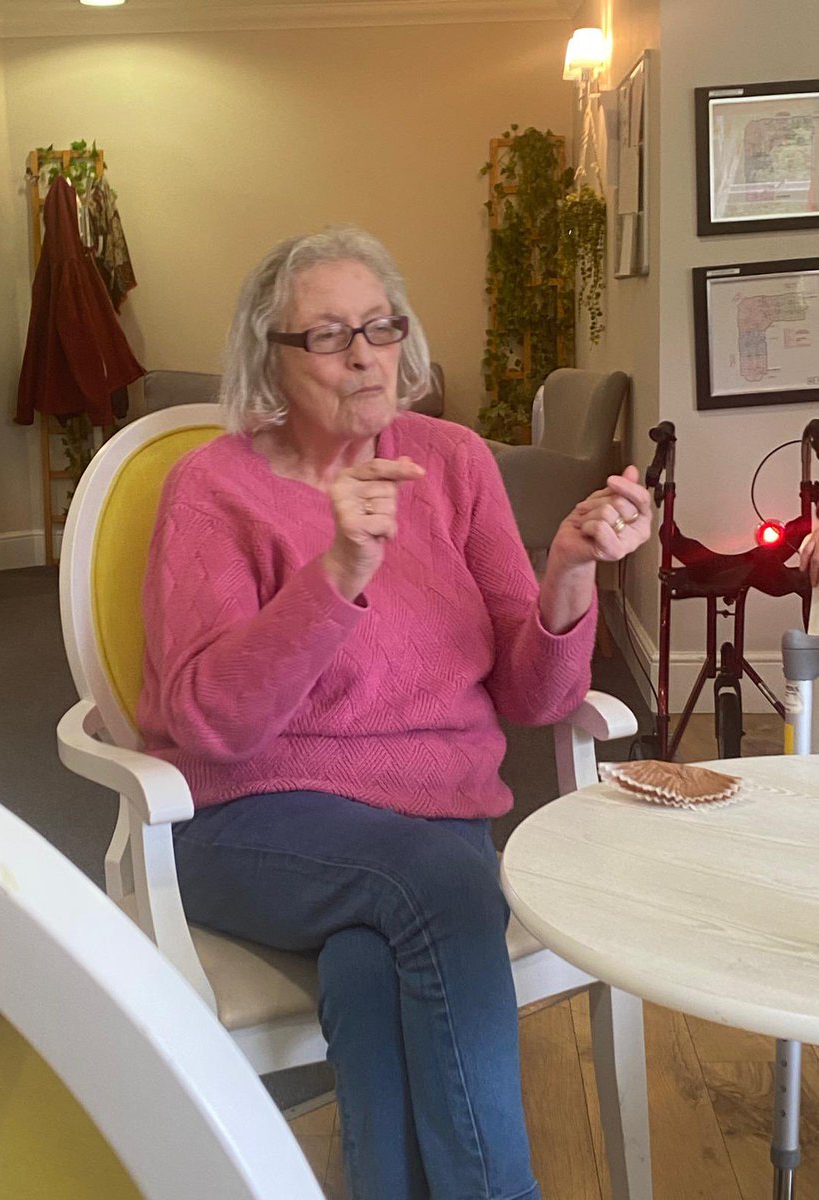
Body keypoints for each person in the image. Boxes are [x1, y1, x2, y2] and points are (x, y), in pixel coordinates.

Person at [137, 226, 651, 1200]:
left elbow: (533, 697)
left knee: (370, 976)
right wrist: (336, 574)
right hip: (253, 820)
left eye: (380, 325)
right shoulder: (212, 491)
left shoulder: (452, 463)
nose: (365, 352)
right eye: (328, 335)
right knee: (445, 893)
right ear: (271, 359)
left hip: (431, 820)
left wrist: (571, 570)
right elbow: (211, 721)